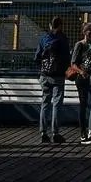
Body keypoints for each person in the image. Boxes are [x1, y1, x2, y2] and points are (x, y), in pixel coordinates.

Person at [34, 16, 70, 144]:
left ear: (50, 25)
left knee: (45, 103)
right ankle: (55, 133)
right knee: (56, 104)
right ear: (60, 25)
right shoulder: (63, 39)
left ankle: (43, 132)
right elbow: (67, 58)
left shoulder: (44, 38)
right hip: (58, 76)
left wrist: (43, 69)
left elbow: (37, 57)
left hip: (44, 75)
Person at [71, 21, 91, 143]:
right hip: (82, 78)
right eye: (89, 30)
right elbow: (73, 63)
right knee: (83, 104)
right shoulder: (79, 45)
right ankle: (83, 132)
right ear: (84, 32)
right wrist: (81, 72)